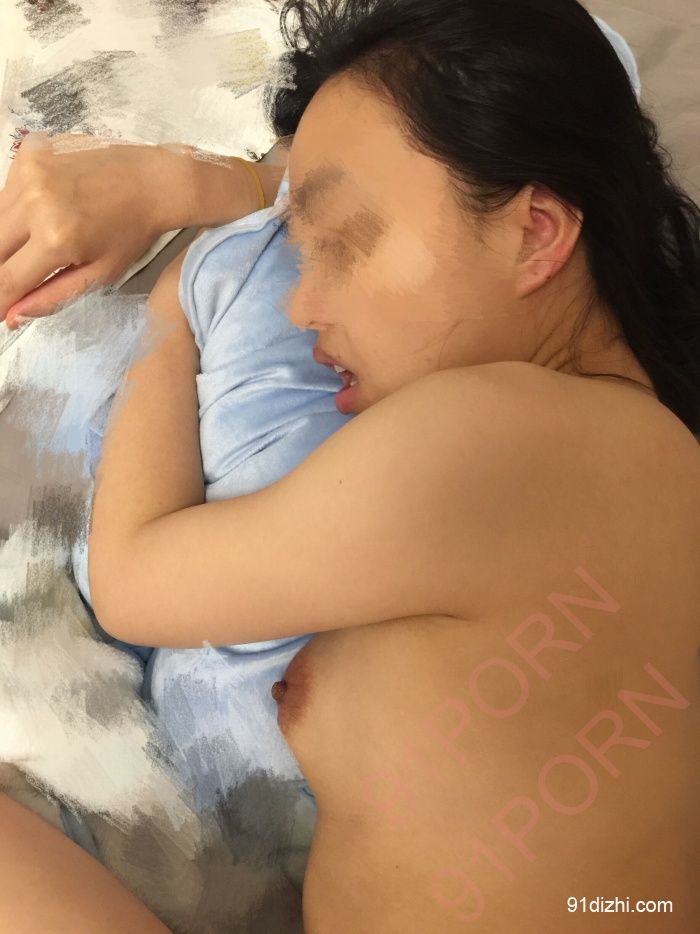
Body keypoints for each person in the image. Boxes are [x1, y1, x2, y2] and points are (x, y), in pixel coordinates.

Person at [1, 1, 699, 931]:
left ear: (536, 232)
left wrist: (177, 304)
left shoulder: (502, 438)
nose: (298, 308)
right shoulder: (638, 455)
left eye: (343, 242)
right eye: (296, 255)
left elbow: (132, 579)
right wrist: (219, 186)